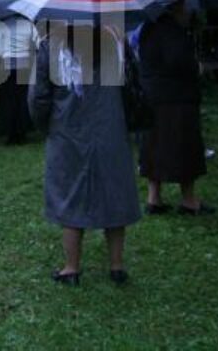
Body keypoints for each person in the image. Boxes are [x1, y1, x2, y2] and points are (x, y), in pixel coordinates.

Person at [29, 25, 141, 286]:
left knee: (69, 193)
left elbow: (38, 97)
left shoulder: (51, 45)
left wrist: (44, 126)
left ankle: (72, 267)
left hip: (68, 130)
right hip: (110, 127)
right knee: (114, 191)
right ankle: (116, 265)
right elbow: (133, 85)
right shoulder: (117, 41)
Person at [139, 0, 214, 215]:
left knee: (153, 145)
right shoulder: (173, 32)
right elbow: (178, 62)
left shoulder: (148, 27)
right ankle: (189, 199)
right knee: (184, 146)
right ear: (176, 7)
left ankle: (154, 197)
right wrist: (197, 67)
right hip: (176, 98)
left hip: (152, 94)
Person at [0, 14, 38, 145]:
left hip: (7, 65)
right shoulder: (29, 24)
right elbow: (38, 43)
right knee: (23, 98)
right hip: (24, 64)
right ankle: (23, 131)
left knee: (8, 99)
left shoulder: (2, 25)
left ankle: (10, 132)